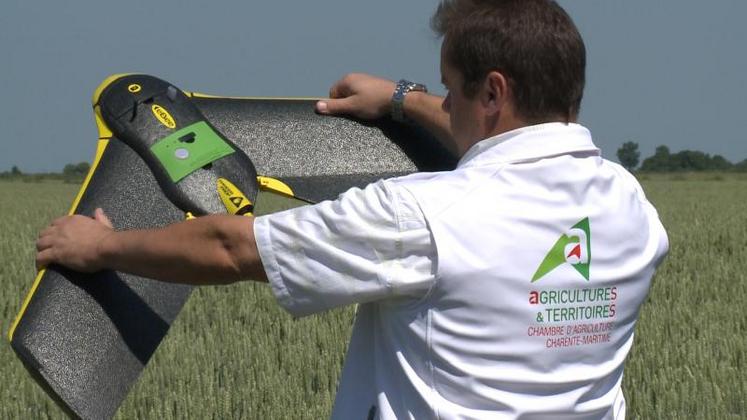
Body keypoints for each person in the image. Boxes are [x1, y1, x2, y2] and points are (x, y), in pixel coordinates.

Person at [35, 0, 668, 418]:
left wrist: (102, 248)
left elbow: (233, 247)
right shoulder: (632, 209)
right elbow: (514, 147)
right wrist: (401, 99)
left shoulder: (420, 217)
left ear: (494, 90)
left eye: (450, 88)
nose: (444, 102)